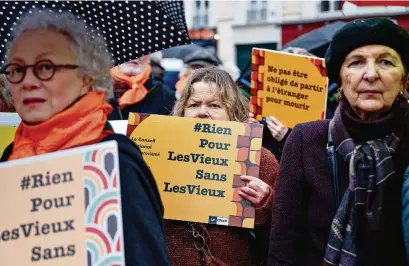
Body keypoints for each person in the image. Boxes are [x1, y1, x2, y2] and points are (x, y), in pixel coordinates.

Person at [0, 10, 170, 266]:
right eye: (17, 69)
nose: (28, 81)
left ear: (86, 77)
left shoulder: (114, 161)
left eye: (45, 67)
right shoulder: (11, 156)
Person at [268, 18, 409, 265]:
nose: (371, 74)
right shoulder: (306, 140)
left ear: (404, 80)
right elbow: (283, 247)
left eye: (386, 62)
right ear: (340, 80)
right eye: (356, 62)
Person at [167, 67, 279, 266]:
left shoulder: (260, 160)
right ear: (182, 110)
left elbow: (282, 240)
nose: (202, 112)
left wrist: (266, 204)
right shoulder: (158, 153)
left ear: (232, 111)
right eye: (193, 105)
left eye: (214, 105)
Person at [108, 54, 176, 120]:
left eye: (139, 49)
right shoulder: (99, 89)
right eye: (125, 48)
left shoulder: (165, 94)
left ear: (149, 57)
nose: (132, 54)